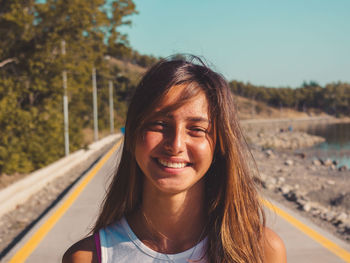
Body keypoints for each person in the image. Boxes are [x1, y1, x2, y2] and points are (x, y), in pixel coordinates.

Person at [63, 55, 286, 263]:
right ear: (132, 134)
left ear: (219, 146)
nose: (176, 144)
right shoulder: (88, 257)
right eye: (160, 124)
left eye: (197, 129)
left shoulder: (261, 250)